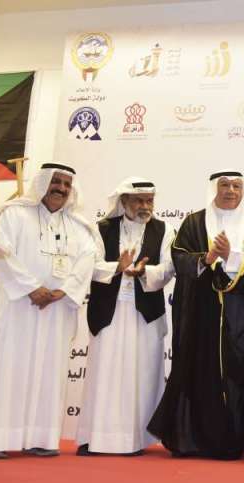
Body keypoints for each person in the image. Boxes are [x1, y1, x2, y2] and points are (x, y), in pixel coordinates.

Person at [147, 170, 244, 460]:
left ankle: (229, 443)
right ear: (215, 188)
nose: (230, 191)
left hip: (242, 317)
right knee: (198, 371)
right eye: (225, 185)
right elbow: (179, 258)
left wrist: (231, 257)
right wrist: (207, 257)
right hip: (201, 313)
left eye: (236, 186)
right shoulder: (194, 222)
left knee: (237, 375)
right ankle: (191, 440)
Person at [0, 163, 97, 459]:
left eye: (66, 184)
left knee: (50, 371)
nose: (61, 188)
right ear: (42, 182)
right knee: (9, 369)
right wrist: (31, 288)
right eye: (55, 181)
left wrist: (63, 291)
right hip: (17, 307)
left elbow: (87, 259)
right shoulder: (12, 214)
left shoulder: (79, 226)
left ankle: (41, 438)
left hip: (57, 311)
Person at [77, 177, 175, 456]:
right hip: (109, 311)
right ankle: (96, 439)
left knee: (140, 375)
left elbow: (168, 268)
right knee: (104, 374)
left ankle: (135, 440)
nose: (145, 206)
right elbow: (89, 265)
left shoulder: (164, 229)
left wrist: (144, 272)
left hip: (144, 314)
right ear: (124, 202)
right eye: (139, 200)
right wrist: (117, 267)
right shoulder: (102, 228)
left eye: (149, 201)